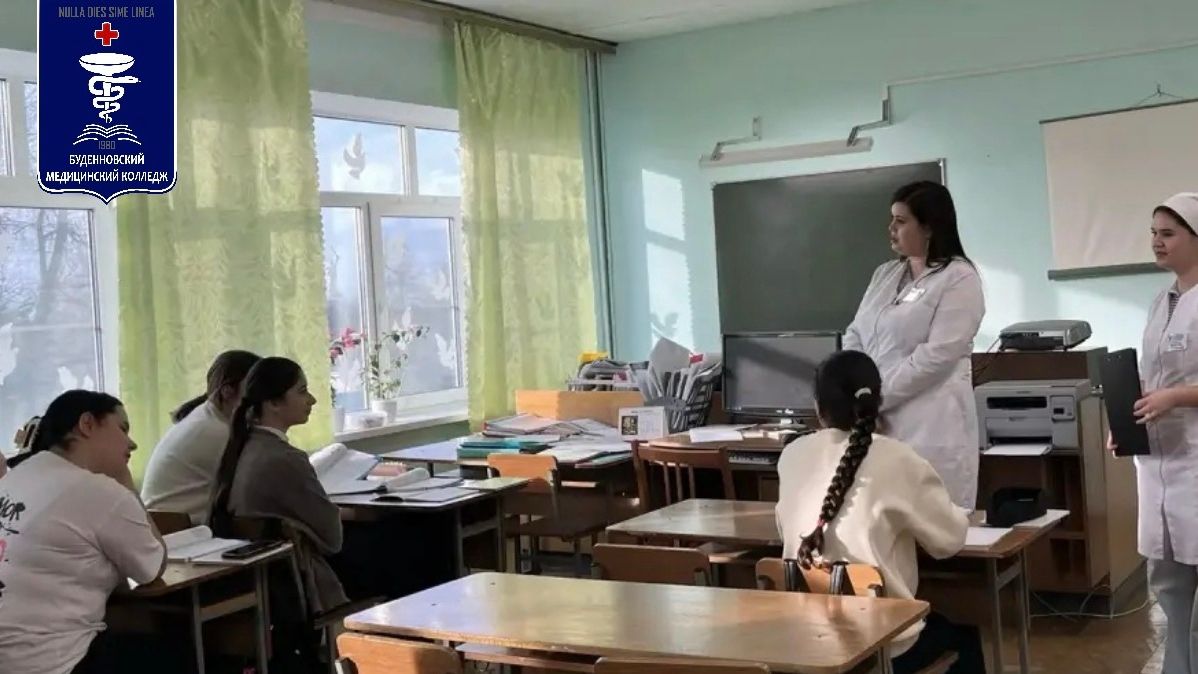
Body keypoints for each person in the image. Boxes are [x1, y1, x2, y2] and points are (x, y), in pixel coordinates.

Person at [775, 350, 983, 673]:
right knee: (966, 638)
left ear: (818, 407)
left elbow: (784, 530)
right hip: (881, 648)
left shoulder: (791, 454)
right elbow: (949, 541)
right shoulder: (899, 458)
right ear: (877, 400)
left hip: (806, 645)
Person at [0, 391, 170, 674]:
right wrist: (126, 483)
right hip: (47, 663)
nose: (132, 443)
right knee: (174, 647)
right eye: (123, 429)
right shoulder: (100, 492)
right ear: (87, 424)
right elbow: (152, 568)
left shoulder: (16, 477)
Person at [843, 181, 985, 508]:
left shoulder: (959, 278)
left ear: (929, 227)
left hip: (931, 425)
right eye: (892, 219)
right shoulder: (885, 274)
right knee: (881, 522)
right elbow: (856, 333)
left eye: (901, 221)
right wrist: (857, 389)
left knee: (933, 524)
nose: (891, 228)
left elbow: (937, 355)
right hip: (876, 424)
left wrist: (875, 397)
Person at [1113, 192, 1198, 674]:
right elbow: (1152, 376)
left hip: (1195, 458)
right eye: (1153, 233)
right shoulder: (1160, 302)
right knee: (1168, 582)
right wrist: (1126, 421)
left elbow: (1174, 387)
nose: (1156, 242)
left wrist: (1176, 397)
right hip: (1160, 460)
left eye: (1168, 234)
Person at [208, 356, 346, 613]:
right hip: (302, 590)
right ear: (273, 403)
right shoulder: (286, 459)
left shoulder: (240, 448)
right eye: (302, 391)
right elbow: (333, 538)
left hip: (265, 588)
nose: (312, 400)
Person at [142, 350, 261, 524]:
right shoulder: (216, 431)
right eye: (254, 388)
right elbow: (262, 488)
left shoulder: (205, 419)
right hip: (179, 531)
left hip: (172, 529)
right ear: (227, 391)